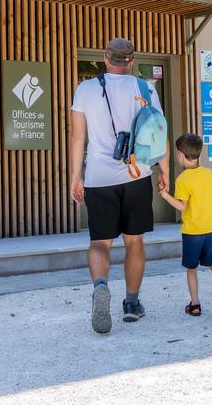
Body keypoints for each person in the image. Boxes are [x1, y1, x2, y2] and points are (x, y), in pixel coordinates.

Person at [69, 38, 169, 334]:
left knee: (100, 243)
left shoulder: (85, 89)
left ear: (105, 58)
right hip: (137, 175)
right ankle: (131, 303)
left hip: (99, 177)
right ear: (132, 60)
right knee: (134, 242)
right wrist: (163, 170)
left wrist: (76, 177)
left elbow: (77, 138)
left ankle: (101, 286)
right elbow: (157, 131)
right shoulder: (146, 88)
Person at [159, 133, 212, 318]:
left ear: (180, 154)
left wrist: (165, 195)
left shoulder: (183, 179)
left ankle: (195, 304)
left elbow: (182, 206)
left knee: (192, 269)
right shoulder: (209, 173)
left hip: (192, 232)